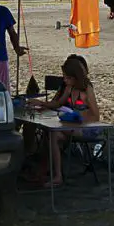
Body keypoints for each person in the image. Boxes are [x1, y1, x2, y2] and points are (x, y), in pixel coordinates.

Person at [27, 55, 100, 187]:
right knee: (53, 134)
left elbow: (96, 116)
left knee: (55, 132)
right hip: (71, 125)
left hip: (87, 127)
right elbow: (58, 103)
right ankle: (57, 175)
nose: (65, 80)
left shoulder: (87, 89)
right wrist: (41, 103)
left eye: (67, 78)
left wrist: (80, 118)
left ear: (75, 77)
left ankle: (52, 173)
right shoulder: (69, 88)